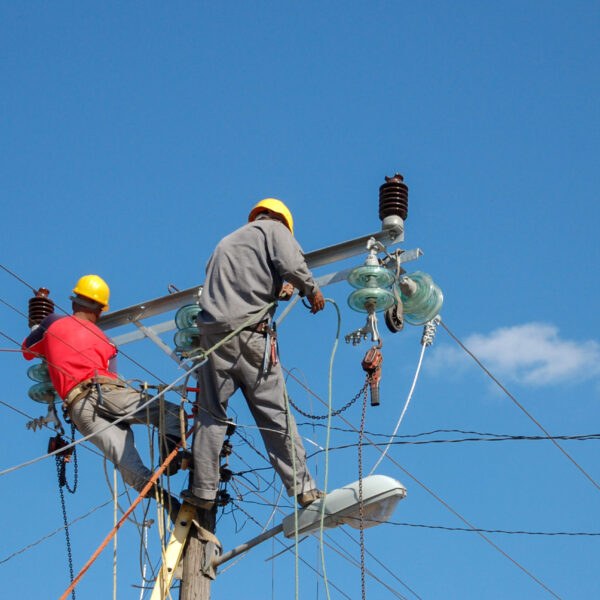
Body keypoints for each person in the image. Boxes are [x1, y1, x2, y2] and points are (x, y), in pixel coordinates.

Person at [184, 198, 326, 510]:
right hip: (251, 336)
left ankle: (203, 492)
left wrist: (275, 289)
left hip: (213, 339)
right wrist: (310, 289)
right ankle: (303, 487)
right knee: (274, 414)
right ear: (280, 220)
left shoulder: (225, 243)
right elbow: (291, 263)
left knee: (209, 416)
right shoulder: (274, 231)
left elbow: (236, 286)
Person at [22, 274, 183, 518]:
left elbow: (27, 350)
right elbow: (114, 379)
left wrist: (41, 328)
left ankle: (166, 501)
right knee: (171, 413)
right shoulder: (106, 341)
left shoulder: (53, 324)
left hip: (78, 409)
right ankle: (170, 457)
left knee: (124, 459)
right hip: (106, 391)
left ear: (75, 303)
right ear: (100, 311)